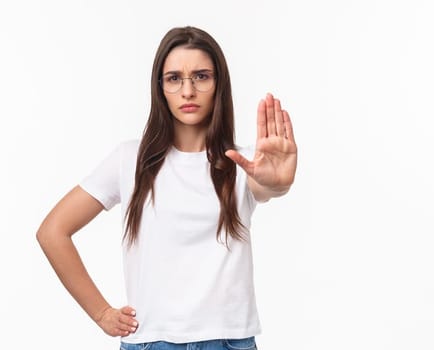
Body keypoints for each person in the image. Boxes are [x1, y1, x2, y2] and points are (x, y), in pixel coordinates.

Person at [36, 26, 297, 350]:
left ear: (218, 84)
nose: (188, 90)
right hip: (151, 342)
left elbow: (265, 187)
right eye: (174, 78)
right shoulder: (129, 159)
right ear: (160, 87)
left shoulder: (241, 162)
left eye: (201, 76)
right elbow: (53, 232)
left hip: (229, 342)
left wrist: (277, 185)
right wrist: (101, 313)